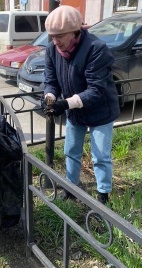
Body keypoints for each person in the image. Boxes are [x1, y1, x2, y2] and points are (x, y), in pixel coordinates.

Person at [43, 5, 120, 204]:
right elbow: (51, 80)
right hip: (75, 111)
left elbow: (96, 90)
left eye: (60, 35)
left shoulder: (96, 49)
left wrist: (65, 104)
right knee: (71, 150)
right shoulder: (53, 49)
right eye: (52, 36)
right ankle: (71, 188)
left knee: (100, 155)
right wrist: (50, 99)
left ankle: (103, 194)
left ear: (75, 31)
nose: (55, 40)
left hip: (100, 110)